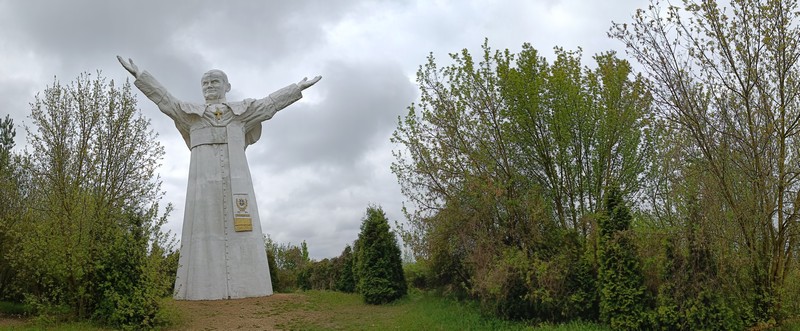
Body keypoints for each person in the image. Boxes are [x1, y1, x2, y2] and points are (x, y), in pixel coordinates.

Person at [118, 56, 320, 300]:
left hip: (237, 178)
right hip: (201, 181)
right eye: (205, 83)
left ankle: (249, 286)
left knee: (242, 222)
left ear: (227, 86)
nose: (209, 86)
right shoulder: (191, 115)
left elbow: (269, 105)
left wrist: (295, 89)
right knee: (201, 226)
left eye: (215, 81)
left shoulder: (240, 114)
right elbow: (164, 100)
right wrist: (141, 76)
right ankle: (201, 289)